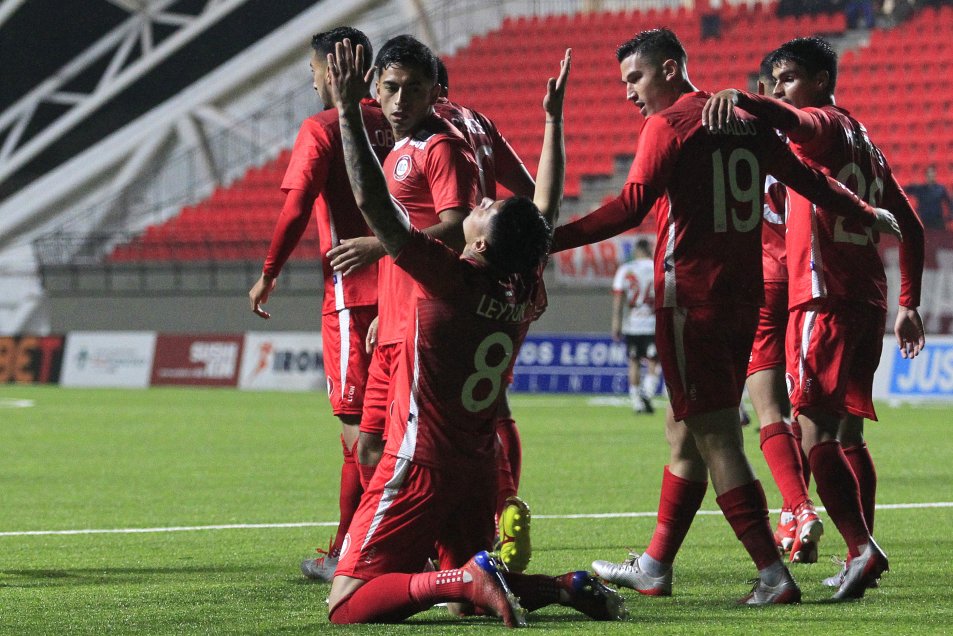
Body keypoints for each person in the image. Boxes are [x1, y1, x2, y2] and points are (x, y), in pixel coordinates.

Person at [551, 28, 901, 605]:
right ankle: (656, 564)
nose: (629, 94)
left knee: (716, 436)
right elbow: (810, 180)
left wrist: (549, 239)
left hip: (691, 297)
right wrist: (866, 208)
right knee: (684, 430)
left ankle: (772, 574)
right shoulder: (746, 122)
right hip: (745, 298)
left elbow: (630, 206)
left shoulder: (669, 126)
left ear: (669, 69)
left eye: (634, 79)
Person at [326, 41, 625, 626]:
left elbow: (373, 203)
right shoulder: (526, 287)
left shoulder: (448, 280)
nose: (480, 201)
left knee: (346, 604)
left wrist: (344, 108)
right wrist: (553, 121)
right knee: (472, 606)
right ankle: (562, 587)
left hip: (420, 459)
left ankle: (462, 575)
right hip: (476, 463)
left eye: (483, 210)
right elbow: (544, 215)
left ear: (481, 242)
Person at [702, 35, 925, 598]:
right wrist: (908, 304)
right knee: (848, 432)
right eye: (775, 80)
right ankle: (862, 549)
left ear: (822, 82)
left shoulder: (820, 126)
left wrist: (746, 100)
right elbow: (912, 227)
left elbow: (791, 121)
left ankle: (858, 547)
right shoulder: (866, 142)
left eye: (789, 78)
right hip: (869, 299)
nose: (780, 89)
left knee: (813, 431)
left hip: (820, 296)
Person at [246, 26, 392, 582]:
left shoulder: (323, 128)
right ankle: (389, 543)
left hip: (353, 299)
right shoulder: (398, 122)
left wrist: (268, 274)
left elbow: (296, 208)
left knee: (359, 432)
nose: (310, 81)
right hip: (406, 291)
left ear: (331, 71)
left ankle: (354, 553)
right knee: (395, 424)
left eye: (312, 71)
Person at [325, 35, 478, 499]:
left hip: (426, 323)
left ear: (435, 93)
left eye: (413, 89)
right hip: (394, 322)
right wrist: (385, 315)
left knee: (420, 446)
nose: (400, 99)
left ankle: (446, 543)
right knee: (370, 446)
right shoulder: (395, 151)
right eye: (391, 87)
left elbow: (458, 228)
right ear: (374, 88)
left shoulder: (441, 148)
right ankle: (415, 550)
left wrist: (378, 246)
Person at [434, 54, 539, 573]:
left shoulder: (436, 134)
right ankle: (505, 504)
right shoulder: (480, 122)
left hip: (456, 279)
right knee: (493, 402)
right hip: (501, 280)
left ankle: (431, 537)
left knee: (424, 418)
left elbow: (410, 227)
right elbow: (533, 196)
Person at [747, 56, 821, 564]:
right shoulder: (812, 141)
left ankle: (798, 507)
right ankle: (794, 518)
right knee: (811, 410)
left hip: (761, 281)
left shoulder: (739, 140)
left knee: (768, 409)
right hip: (807, 280)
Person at [610, 237, 659, 414]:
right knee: (654, 360)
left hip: (632, 323)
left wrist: (616, 324)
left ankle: (637, 401)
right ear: (649, 251)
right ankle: (648, 392)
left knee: (634, 361)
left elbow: (618, 298)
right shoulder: (656, 268)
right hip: (652, 323)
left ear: (637, 251)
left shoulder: (625, 269)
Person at [905, 165, 952, 230]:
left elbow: (949, 203)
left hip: (938, 222)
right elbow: (907, 190)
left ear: (935, 176)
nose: (931, 177)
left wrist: (949, 217)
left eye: (932, 175)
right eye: (929, 175)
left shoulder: (941, 189)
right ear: (926, 176)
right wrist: (913, 182)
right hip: (924, 222)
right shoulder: (920, 189)